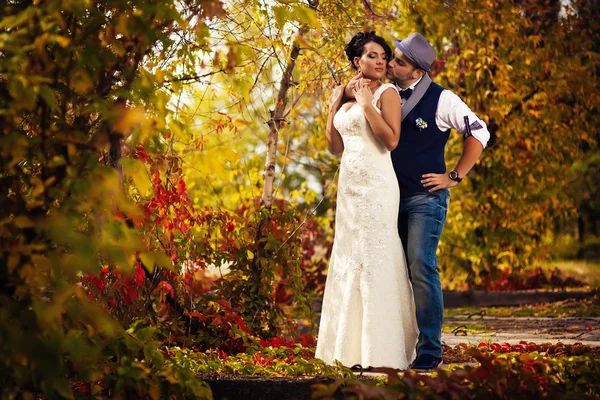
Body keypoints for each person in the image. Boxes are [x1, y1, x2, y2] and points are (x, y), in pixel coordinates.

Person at [346, 33, 491, 370]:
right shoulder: (385, 93)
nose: (390, 63)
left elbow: (480, 132)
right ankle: (391, 345)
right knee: (388, 270)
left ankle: (429, 349)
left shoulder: (443, 99)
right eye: (390, 57)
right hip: (386, 198)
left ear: (416, 71)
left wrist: (453, 175)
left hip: (425, 199)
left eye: (398, 60)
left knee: (420, 265)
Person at [315, 31, 418, 371]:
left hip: (378, 185)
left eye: (383, 56)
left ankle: (382, 350)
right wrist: (336, 103)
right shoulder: (344, 98)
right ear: (357, 61)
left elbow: (391, 140)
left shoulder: (388, 93)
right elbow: (333, 146)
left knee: (376, 253)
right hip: (349, 188)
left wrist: (363, 105)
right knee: (348, 254)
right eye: (372, 56)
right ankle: (344, 348)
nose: (381, 61)